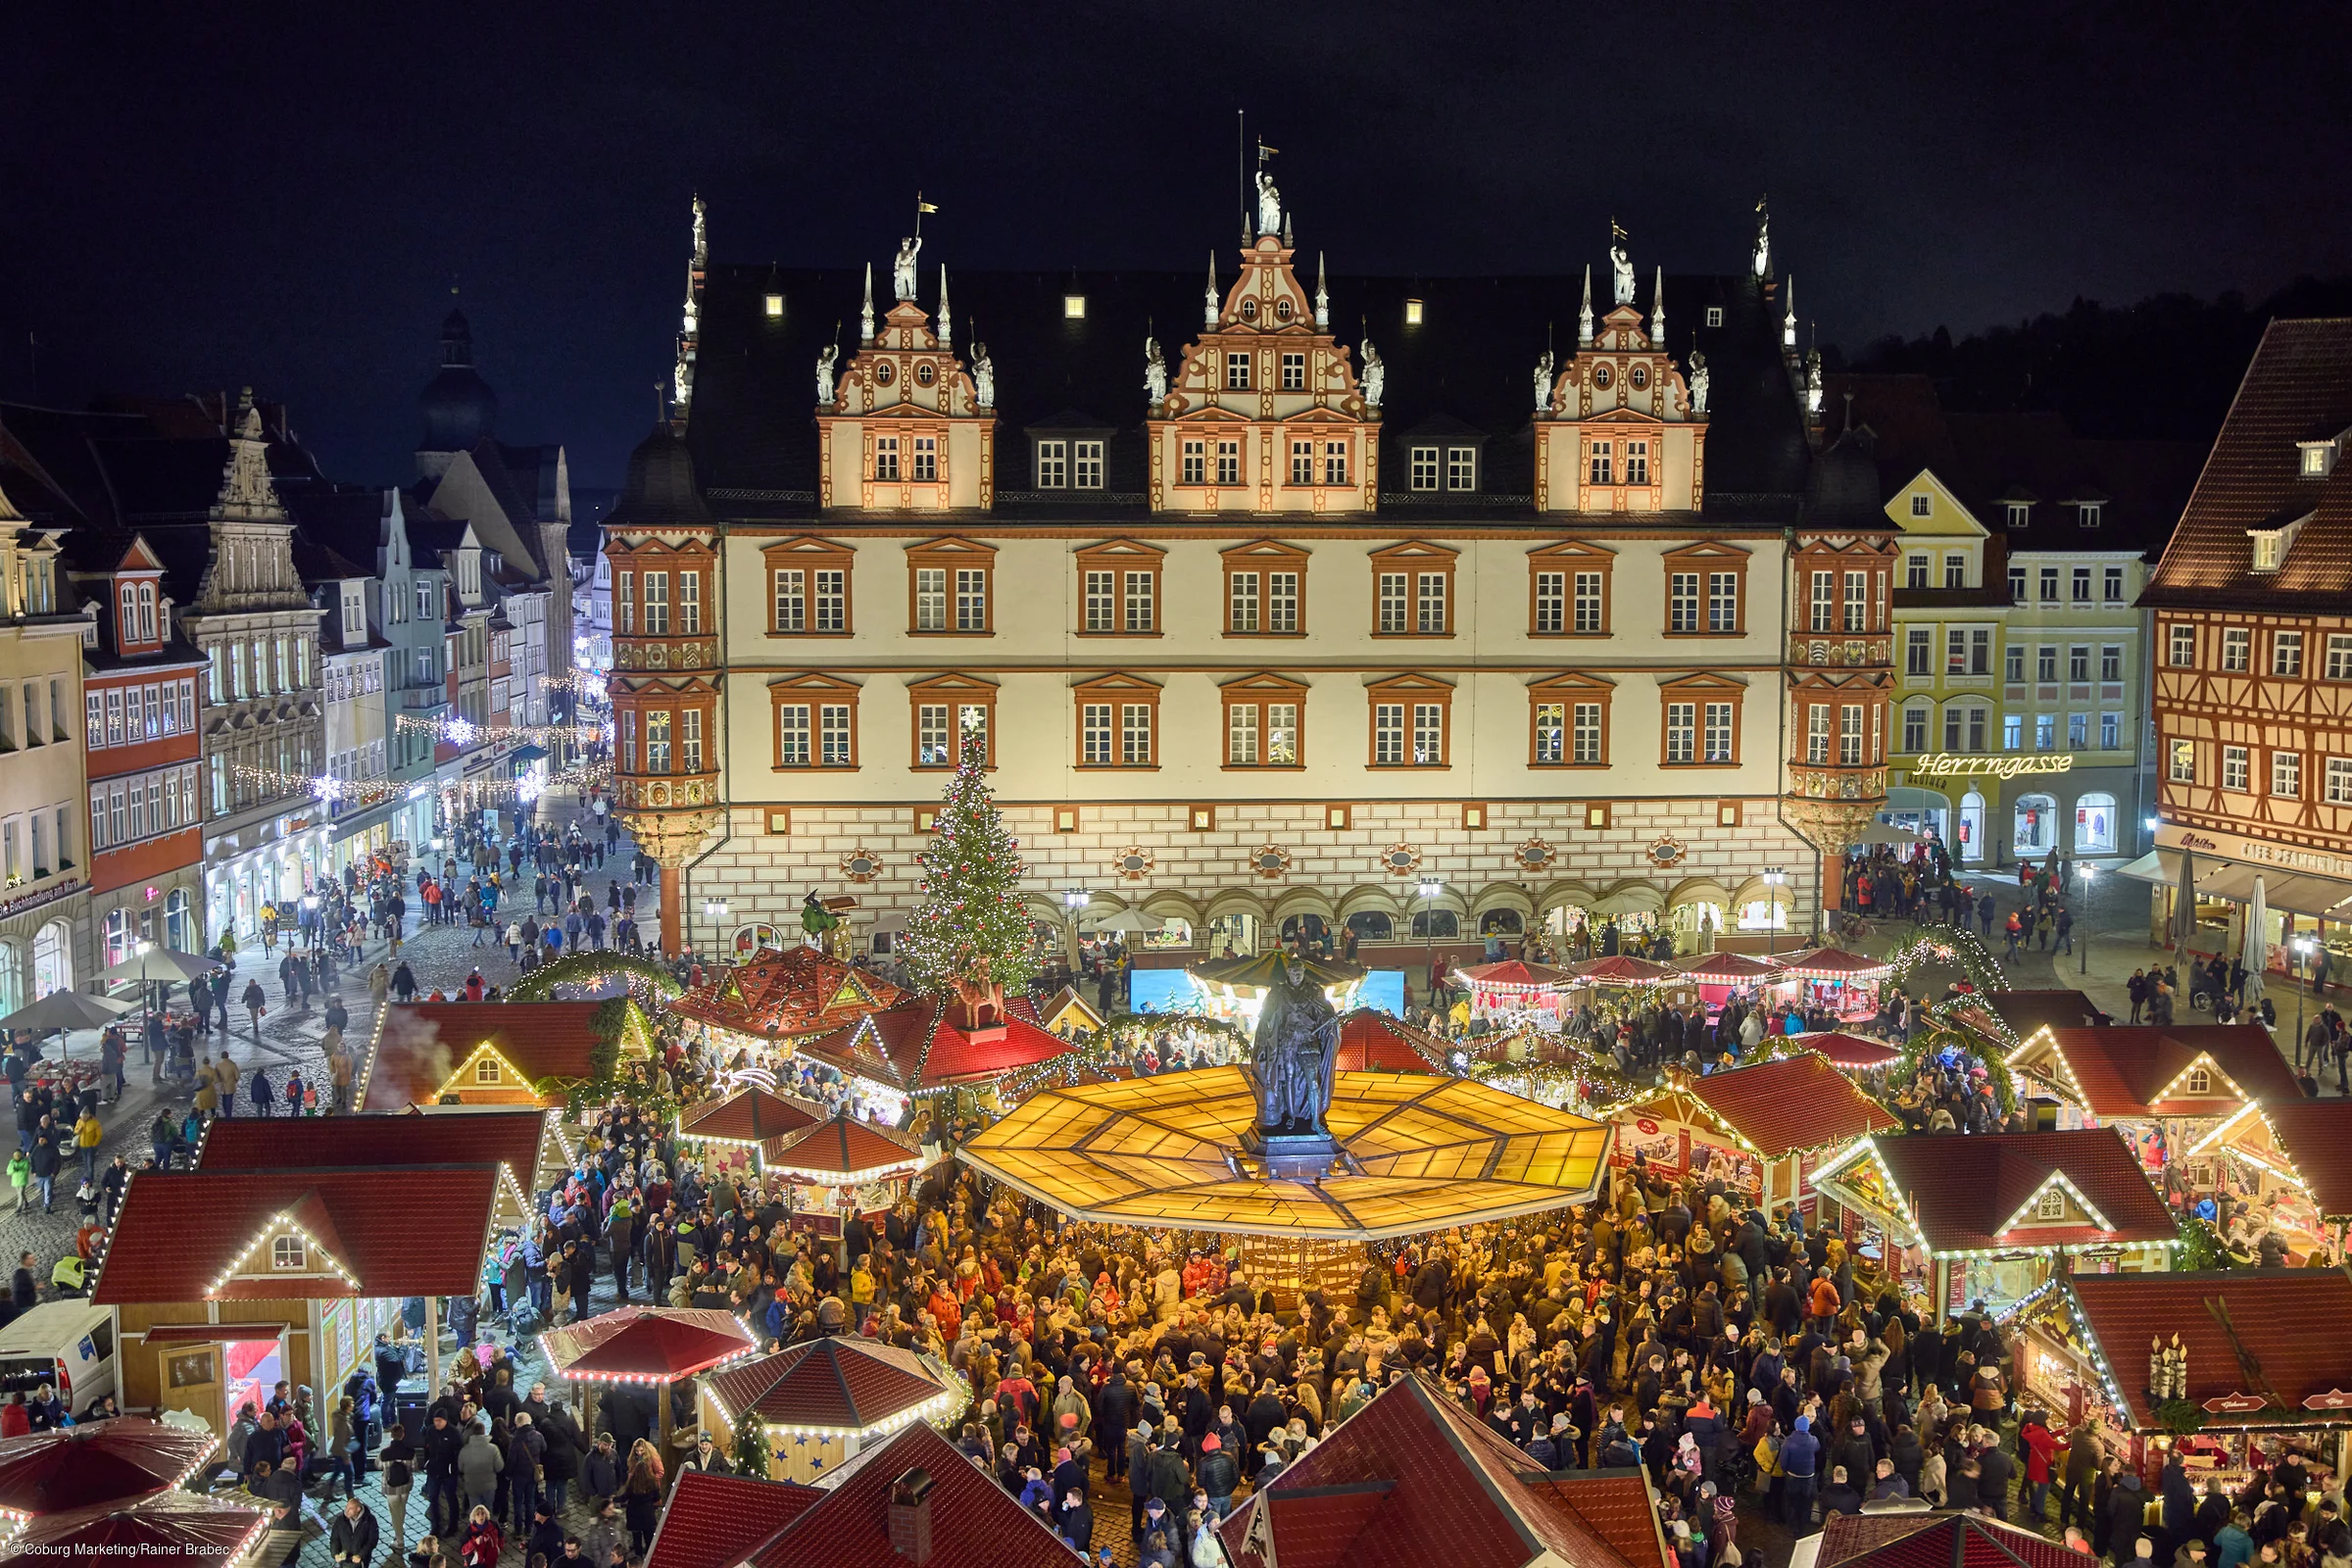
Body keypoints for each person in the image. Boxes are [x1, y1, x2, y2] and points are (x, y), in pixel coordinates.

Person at [331, 1496, 380, 1568]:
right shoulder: (340, 1520)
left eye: (350, 1509)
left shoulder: (370, 1520)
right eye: (346, 1507)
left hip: (361, 1561)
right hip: (344, 1561)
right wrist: (335, 1553)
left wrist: (360, 1555)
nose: (347, 1511)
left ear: (358, 1509)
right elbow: (334, 1539)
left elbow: (372, 1540)